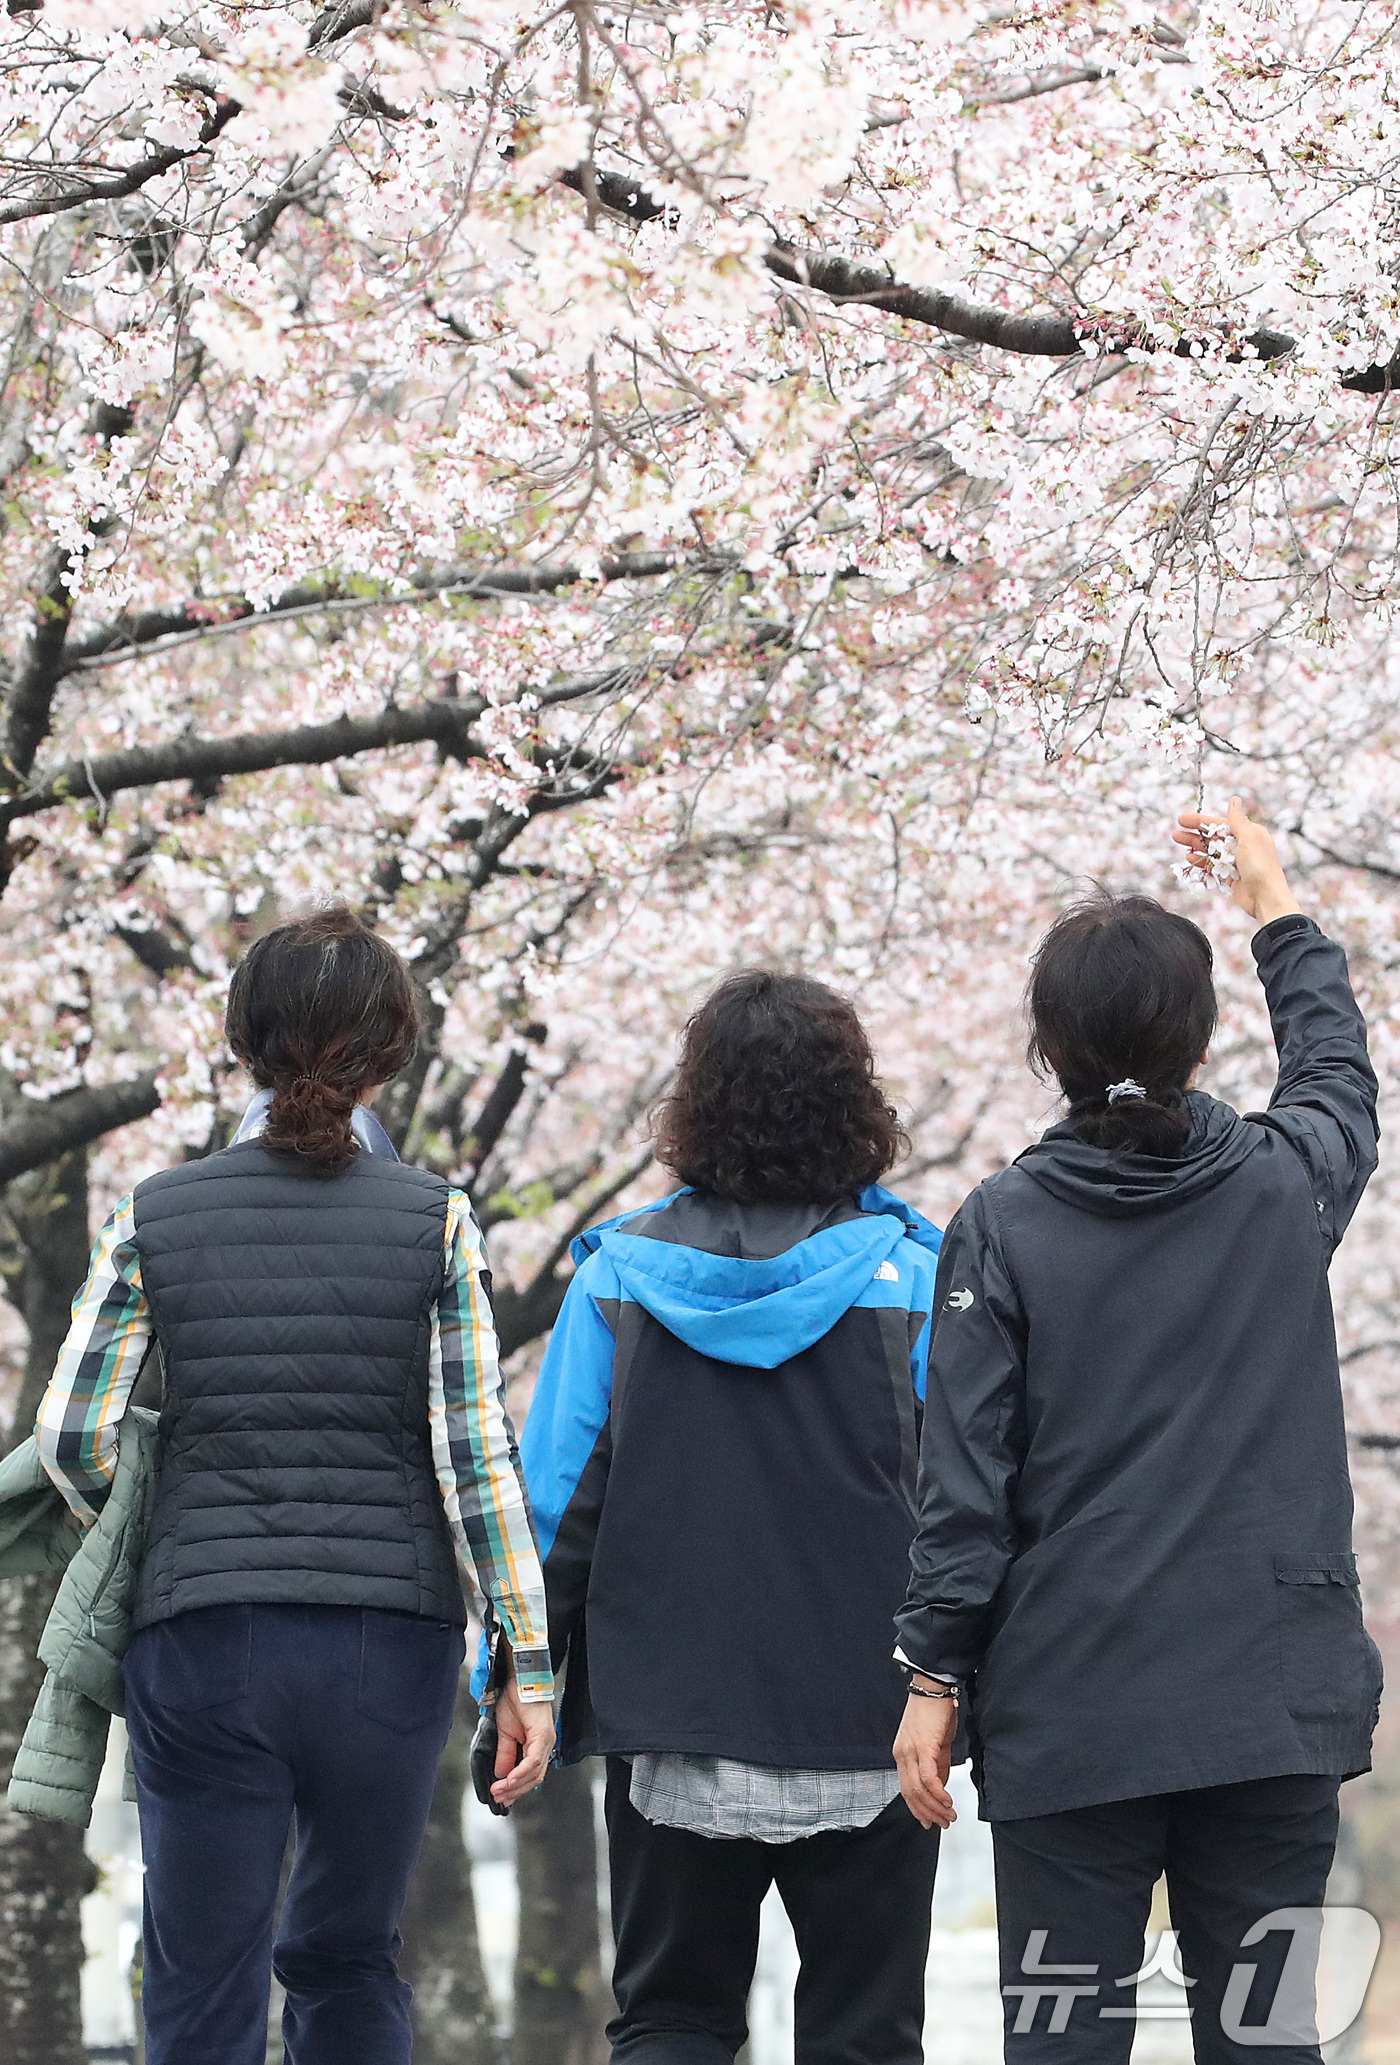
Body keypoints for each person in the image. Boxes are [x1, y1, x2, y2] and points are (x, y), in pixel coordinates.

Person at [893, 801, 1384, 2063]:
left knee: (1060, 2038)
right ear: (1200, 1034)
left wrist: (935, 1676)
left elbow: (963, 1485)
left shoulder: (997, 1228)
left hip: (1072, 1714)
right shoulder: (1284, 1183)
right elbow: (1334, 1067)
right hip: (1266, 1710)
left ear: (1045, 1047)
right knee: (1266, 2039)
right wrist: (1271, 898)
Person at [34, 905, 556, 2065]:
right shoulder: (435, 1223)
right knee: (348, 1957)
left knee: (199, 1968)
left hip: (204, 1637)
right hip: (386, 1644)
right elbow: (476, 1454)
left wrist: (162, 1512)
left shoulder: (154, 1213)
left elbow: (72, 1435)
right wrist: (526, 1660)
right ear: (388, 1050)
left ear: (243, 1040)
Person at [480, 971, 947, 2065]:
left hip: (670, 1721)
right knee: (866, 2035)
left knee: (670, 2023)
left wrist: (513, 1678)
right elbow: (959, 1506)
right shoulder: (923, 1280)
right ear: (853, 1103)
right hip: (870, 1723)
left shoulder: (615, 1279)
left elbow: (555, 1508)